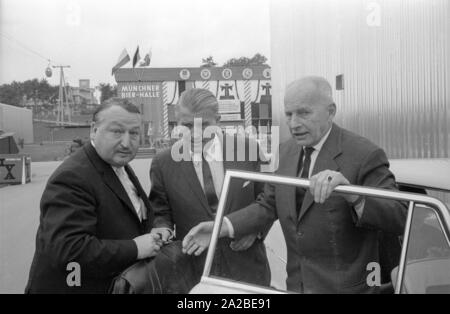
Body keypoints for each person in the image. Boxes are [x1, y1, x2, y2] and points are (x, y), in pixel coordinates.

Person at [183, 76, 407, 294]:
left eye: (304, 113)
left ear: (331, 111)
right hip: (296, 286)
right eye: (289, 114)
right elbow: (268, 205)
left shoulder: (364, 154)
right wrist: (220, 228)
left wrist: (353, 196)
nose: (293, 124)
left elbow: (399, 215)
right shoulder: (287, 152)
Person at [26, 98, 161, 293]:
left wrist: (153, 231)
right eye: (116, 131)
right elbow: (69, 250)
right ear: (94, 130)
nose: (126, 142)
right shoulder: (72, 176)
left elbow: (128, 214)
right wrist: (136, 248)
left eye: (133, 133)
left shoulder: (116, 164)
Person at [149, 88, 271, 287]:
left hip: (246, 266)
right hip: (193, 270)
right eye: (187, 125)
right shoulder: (163, 162)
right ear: (177, 124)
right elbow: (161, 211)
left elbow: (266, 199)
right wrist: (162, 228)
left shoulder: (248, 149)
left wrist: (255, 230)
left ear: (218, 120)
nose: (196, 134)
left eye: (204, 125)